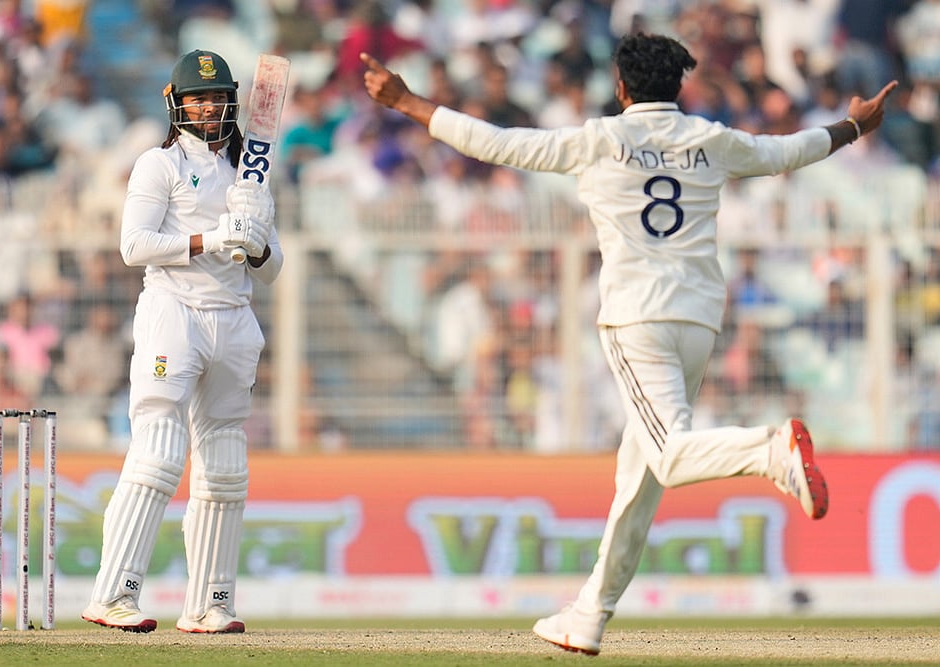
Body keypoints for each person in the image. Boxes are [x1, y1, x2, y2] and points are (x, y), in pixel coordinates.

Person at [360, 33, 897, 656]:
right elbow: (786, 152)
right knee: (638, 481)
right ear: (679, 86)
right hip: (698, 320)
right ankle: (589, 615)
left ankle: (770, 451)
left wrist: (407, 102)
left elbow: (497, 143)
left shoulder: (599, 140)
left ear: (620, 88)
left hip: (637, 319)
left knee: (666, 457)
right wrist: (853, 128)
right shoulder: (711, 139)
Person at [82, 49, 283, 635]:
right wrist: (210, 239)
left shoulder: (250, 175)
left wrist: (256, 245)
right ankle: (113, 594)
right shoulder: (158, 164)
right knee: (160, 452)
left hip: (234, 317)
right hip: (174, 310)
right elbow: (134, 245)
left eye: (219, 97)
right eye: (199, 98)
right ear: (177, 104)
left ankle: (209, 604)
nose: (210, 107)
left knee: (225, 464)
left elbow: (273, 269)